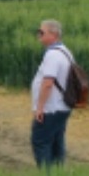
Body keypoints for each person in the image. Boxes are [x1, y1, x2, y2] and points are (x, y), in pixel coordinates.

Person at [31, 19, 75, 168]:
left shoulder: (53, 56)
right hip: (62, 107)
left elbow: (48, 83)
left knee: (41, 142)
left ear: (53, 34)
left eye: (42, 32)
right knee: (57, 142)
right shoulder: (65, 51)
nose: (39, 35)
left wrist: (40, 107)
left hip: (51, 108)